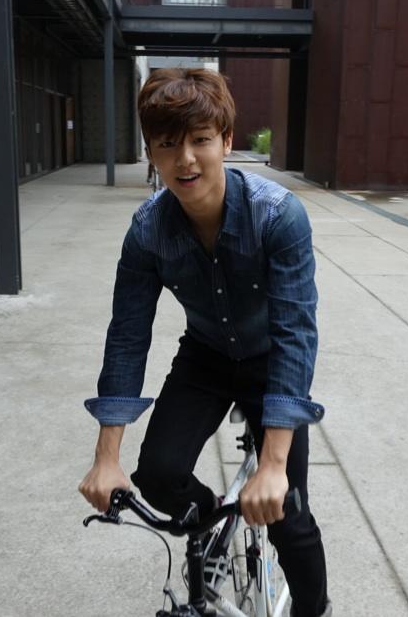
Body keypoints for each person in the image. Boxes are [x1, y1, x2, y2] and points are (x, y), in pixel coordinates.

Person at [79, 68, 331, 616]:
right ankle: (215, 520)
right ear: (151, 153)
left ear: (226, 141)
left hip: (271, 360)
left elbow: (295, 334)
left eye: (200, 140)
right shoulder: (147, 230)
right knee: (157, 476)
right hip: (207, 356)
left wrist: (272, 465)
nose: (186, 159)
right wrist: (106, 457)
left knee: (288, 516)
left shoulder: (277, 216)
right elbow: (127, 335)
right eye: (168, 144)